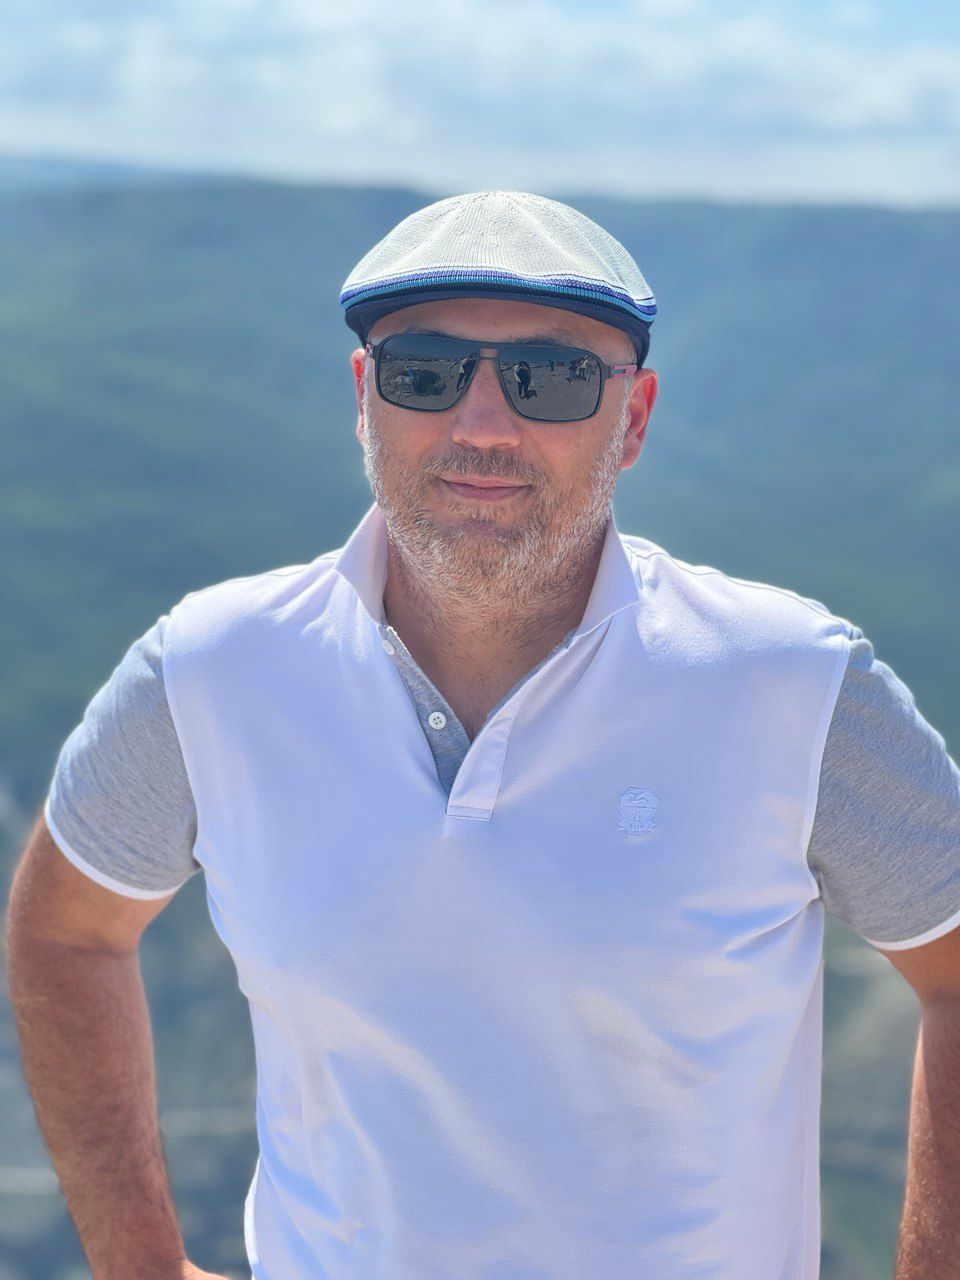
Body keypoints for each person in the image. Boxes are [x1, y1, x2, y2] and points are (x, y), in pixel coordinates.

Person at [7, 189, 960, 1280]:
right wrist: (141, 1264)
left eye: (550, 378)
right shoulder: (210, 671)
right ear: (363, 399)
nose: (483, 427)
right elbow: (65, 932)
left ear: (634, 419)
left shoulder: (795, 685)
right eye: (426, 373)